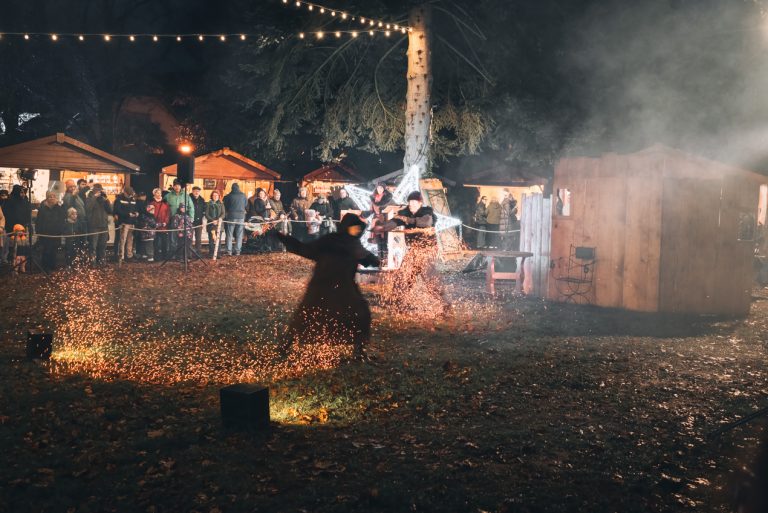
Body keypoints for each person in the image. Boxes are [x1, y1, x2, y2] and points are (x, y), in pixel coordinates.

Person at [276, 213, 380, 360]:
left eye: (358, 229)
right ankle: (286, 345)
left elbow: (370, 260)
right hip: (324, 285)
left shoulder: (351, 243)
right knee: (307, 316)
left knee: (359, 314)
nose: (357, 232)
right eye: (354, 228)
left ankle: (359, 351)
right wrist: (284, 238)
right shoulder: (336, 242)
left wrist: (372, 259)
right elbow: (306, 250)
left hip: (340, 287)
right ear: (347, 228)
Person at [376, 191, 449, 313]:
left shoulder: (427, 212)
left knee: (431, 280)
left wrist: (408, 220)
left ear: (420, 203)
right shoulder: (405, 212)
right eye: (410, 202)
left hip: (426, 250)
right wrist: (382, 227)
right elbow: (394, 222)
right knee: (402, 276)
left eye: (414, 202)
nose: (411, 204)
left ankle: (446, 306)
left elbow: (426, 222)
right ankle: (397, 302)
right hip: (413, 250)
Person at [36, 191, 64, 271]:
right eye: (50, 197)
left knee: (54, 250)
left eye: (53, 196)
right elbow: (39, 221)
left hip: (56, 234)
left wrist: (60, 230)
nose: (52, 198)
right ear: (47, 198)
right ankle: (45, 266)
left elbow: (62, 218)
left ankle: (53, 265)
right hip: (45, 234)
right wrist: (39, 232)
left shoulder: (58, 208)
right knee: (46, 250)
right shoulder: (42, 209)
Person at [165, 179, 194, 254]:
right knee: (173, 238)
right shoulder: (168, 196)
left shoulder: (186, 196)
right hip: (172, 220)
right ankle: (173, 254)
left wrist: (191, 218)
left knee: (182, 238)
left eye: (178, 185)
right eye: (175, 185)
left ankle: (182, 254)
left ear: (181, 186)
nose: (177, 187)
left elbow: (191, 207)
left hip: (184, 221)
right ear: (173, 186)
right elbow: (164, 207)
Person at [85, 184, 112, 265]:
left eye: (100, 190)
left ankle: (102, 261)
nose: (99, 192)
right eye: (97, 190)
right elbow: (88, 208)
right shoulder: (89, 198)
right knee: (93, 246)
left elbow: (110, 210)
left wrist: (106, 199)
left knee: (103, 245)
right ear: (93, 190)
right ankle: (92, 262)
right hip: (94, 226)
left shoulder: (103, 199)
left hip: (103, 225)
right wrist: (94, 197)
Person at [113, 185, 138, 262]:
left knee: (130, 239)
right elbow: (117, 210)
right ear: (124, 192)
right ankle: (121, 256)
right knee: (122, 240)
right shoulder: (119, 199)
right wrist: (127, 214)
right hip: (123, 222)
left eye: (130, 194)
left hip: (131, 222)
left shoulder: (132, 199)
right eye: (128, 194)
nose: (129, 195)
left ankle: (129, 255)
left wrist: (136, 213)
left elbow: (135, 208)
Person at [223, 183, 247, 256]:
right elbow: (246, 205)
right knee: (239, 234)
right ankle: (238, 251)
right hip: (241, 216)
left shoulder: (228, 196)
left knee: (229, 234)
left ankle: (229, 251)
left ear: (232, 188)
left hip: (231, 216)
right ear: (238, 188)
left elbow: (225, 206)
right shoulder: (243, 195)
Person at [148, 188, 170, 261]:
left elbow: (168, 214)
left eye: (160, 193)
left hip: (164, 226)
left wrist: (165, 222)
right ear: (154, 194)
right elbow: (150, 214)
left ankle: (165, 256)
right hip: (155, 226)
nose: (159, 194)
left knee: (164, 242)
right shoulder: (151, 203)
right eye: (157, 193)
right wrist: (154, 223)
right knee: (156, 242)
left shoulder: (165, 203)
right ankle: (156, 256)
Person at [205, 191, 225, 256]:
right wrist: (212, 220)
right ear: (212, 196)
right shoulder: (208, 204)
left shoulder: (221, 204)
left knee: (218, 240)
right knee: (211, 240)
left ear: (219, 196)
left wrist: (219, 219)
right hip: (211, 224)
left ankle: (218, 253)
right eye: (214, 195)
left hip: (219, 224)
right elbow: (206, 214)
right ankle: (211, 253)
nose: (215, 197)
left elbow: (223, 213)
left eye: (216, 195)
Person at [189, 186, 207, 255]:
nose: (196, 192)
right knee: (189, 238)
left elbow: (204, 210)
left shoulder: (202, 200)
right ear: (192, 191)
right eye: (195, 191)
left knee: (198, 238)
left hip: (199, 222)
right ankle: (189, 253)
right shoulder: (188, 198)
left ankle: (198, 253)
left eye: (198, 191)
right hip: (190, 222)